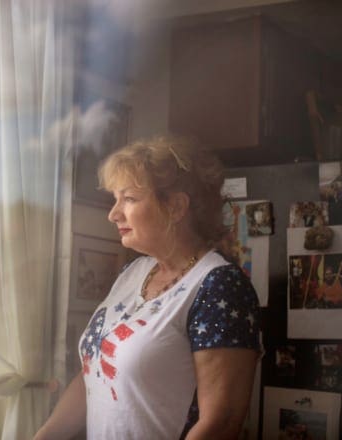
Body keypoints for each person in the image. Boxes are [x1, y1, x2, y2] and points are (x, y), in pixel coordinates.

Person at [34, 135, 261, 440]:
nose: (113, 214)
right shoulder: (134, 272)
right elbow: (94, 375)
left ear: (176, 207)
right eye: (116, 199)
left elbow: (220, 422)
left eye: (128, 198)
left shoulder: (219, 286)